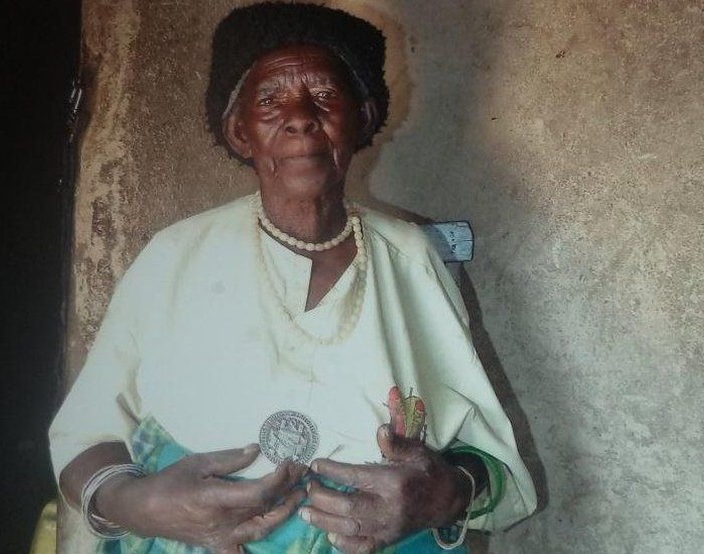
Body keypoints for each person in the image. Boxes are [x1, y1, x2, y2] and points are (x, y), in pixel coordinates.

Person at [49, 3, 536, 553]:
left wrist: (443, 492)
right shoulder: (176, 254)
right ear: (239, 132)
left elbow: (487, 459)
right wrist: (132, 501)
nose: (299, 116)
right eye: (269, 99)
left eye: (325, 96)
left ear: (364, 117)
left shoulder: (409, 256)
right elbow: (83, 435)